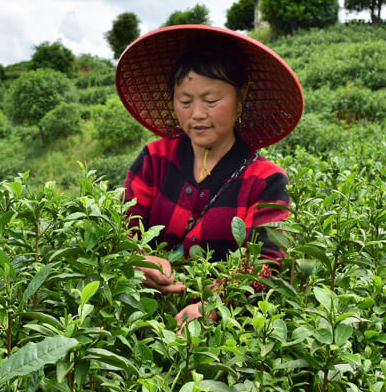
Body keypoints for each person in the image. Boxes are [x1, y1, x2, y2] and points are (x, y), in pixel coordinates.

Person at [114, 25, 304, 328]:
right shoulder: (155, 159)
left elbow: (268, 260)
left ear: (240, 99)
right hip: (144, 320)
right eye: (185, 101)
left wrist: (215, 301)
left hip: (227, 335)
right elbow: (122, 231)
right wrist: (140, 261)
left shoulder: (266, 181)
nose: (197, 114)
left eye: (211, 100)